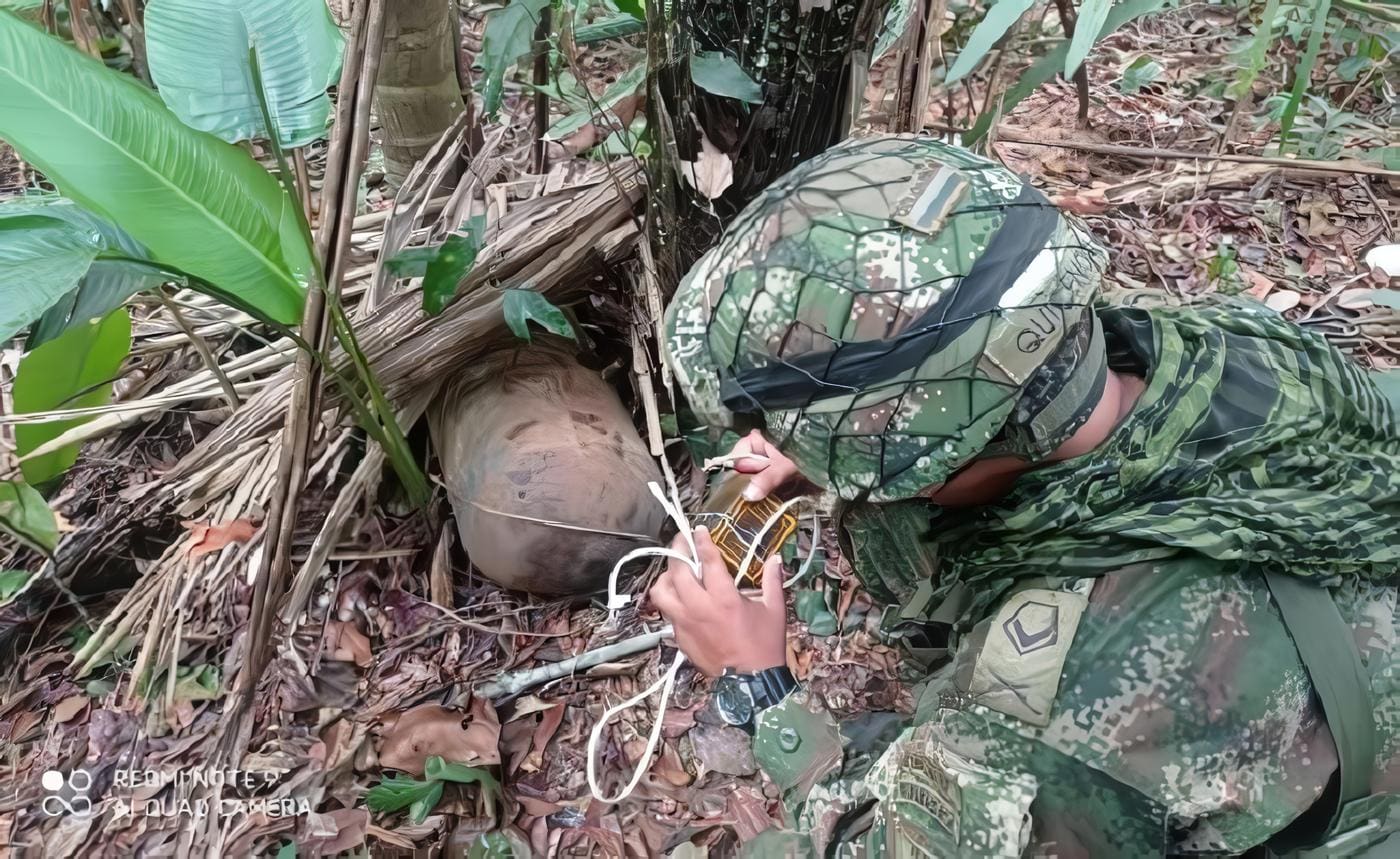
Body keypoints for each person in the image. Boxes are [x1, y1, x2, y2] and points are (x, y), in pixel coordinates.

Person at [647, 134, 1400, 857]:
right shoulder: (1220, 343)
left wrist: (760, 686)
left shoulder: (1066, 697)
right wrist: (842, 448)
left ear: (940, 449)